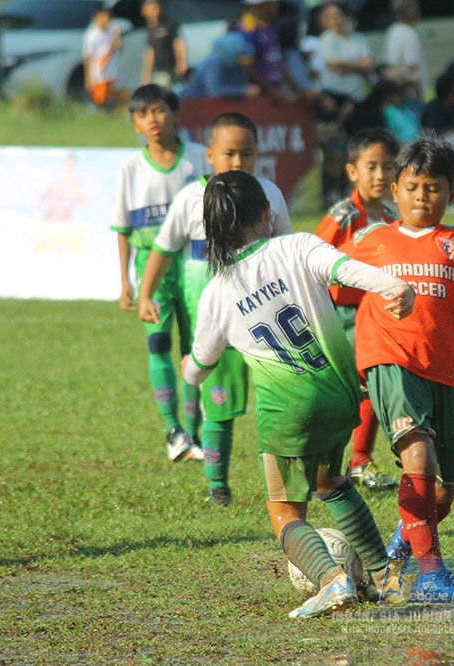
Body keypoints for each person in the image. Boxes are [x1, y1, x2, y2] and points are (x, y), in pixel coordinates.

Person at [181, 170, 415, 617]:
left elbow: (199, 367)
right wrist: (394, 287)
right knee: (330, 482)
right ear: (267, 213)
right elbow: (348, 270)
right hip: (342, 395)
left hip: (290, 411)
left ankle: (333, 580)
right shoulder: (298, 245)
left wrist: (186, 370)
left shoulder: (216, 292)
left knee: (286, 513)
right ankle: (388, 577)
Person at [348, 134, 454, 600]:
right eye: (412, 186)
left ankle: (393, 556)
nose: (422, 196)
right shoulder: (370, 241)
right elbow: (327, 284)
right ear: (394, 192)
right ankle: (434, 578)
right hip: (390, 360)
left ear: (451, 194)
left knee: (443, 493)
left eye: (433, 188)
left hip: (446, 373)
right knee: (418, 457)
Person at [139, 112, 293, 506]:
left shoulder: (270, 195)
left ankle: (285, 485)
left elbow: (287, 251)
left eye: (247, 153)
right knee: (218, 400)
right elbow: (163, 247)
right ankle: (217, 484)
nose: (238, 163)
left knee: (277, 403)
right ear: (210, 155)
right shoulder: (192, 197)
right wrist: (145, 294)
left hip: (265, 317)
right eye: (229, 154)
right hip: (218, 321)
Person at [110, 84, 209, 462]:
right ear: (135, 123)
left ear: (176, 114)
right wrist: (126, 282)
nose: (152, 119)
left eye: (159, 110)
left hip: (194, 265)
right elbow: (122, 228)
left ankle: (193, 434)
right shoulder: (130, 169)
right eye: (142, 113)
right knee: (158, 346)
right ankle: (173, 430)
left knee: (195, 348)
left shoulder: (200, 158)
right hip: (152, 267)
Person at [314, 128, 400, 491]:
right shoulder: (343, 214)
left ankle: (359, 462)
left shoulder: (392, 214)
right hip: (341, 317)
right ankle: (324, 468)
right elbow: (313, 256)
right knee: (343, 393)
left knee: (371, 385)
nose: (380, 175)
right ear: (353, 171)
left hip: (375, 315)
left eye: (388, 167)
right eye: (371, 167)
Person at [317, 2, 374, 104]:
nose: (334, 21)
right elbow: (335, 66)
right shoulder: (327, 38)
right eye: (329, 17)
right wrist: (359, 65)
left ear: (347, 16)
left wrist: (345, 66)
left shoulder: (359, 38)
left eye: (337, 16)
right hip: (338, 94)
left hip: (360, 93)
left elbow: (369, 65)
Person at [180, 33, 261, 99]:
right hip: (194, 107)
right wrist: (243, 91)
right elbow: (214, 91)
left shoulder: (236, 64)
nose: (242, 56)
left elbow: (242, 83)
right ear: (232, 50)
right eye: (239, 53)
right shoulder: (213, 62)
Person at [383, 0, 426, 98]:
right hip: (410, 90)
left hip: (397, 89)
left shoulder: (393, 30)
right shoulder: (409, 33)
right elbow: (412, 66)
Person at [140, 0, 187, 89]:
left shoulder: (169, 24)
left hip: (171, 67)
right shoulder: (149, 28)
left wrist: (181, 61)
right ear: (144, 11)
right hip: (159, 70)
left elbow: (178, 43)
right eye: (152, 7)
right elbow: (150, 51)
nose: (156, 10)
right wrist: (146, 74)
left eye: (157, 7)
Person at [82, 7, 123, 110]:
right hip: (99, 73)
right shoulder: (91, 35)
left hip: (113, 71)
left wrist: (118, 36)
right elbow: (87, 57)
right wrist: (88, 78)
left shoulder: (111, 32)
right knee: (100, 100)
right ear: (97, 17)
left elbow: (120, 48)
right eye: (103, 16)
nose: (106, 19)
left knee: (117, 98)